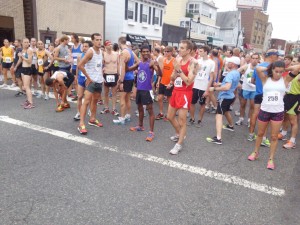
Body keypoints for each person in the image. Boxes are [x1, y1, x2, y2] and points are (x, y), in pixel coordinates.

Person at [247, 61, 295, 170]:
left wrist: (285, 69)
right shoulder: (265, 79)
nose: (278, 74)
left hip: (277, 111)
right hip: (265, 110)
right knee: (260, 133)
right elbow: (258, 69)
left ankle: (271, 158)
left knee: (274, 137)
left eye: (280, 72)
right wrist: (270, 67)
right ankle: (255, 152)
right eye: (276, 71)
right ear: (272, 70)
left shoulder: (285, 80)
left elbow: (297, 68)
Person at [167, 40, 198, 155]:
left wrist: (179, 69)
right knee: (169, 116)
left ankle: (179, 144)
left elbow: (189, 81)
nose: (179, 49)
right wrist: (172, 78)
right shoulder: (179, 60)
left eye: (182, 48)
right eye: (179, 47)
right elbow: (173, 76)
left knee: (182, 120)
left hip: (185, 93)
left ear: (189, 50)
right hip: (176, 90)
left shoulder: (194, 63)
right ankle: (179, 134)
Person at [129, 45, 161, 141]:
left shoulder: (151, 63)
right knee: (139, 108)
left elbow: (160, 74)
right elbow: (129, 69)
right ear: (141, 52)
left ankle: (151, 132)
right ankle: (140, 126)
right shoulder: (139, 63)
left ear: (150, 52)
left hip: (147, 90)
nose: (146, 53)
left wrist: (158, 66)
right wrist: (123, 62)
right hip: (139, 89)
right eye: (144, 51)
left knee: (150, 110)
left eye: (147, 51)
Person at [248, 49, 279, 146]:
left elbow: (252, 80)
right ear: (272, 56)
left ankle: (251, 134)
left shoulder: (258, 66)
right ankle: (263, 138)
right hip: (268, 95)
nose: (277, 57)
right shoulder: (273, 67)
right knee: (267, 117)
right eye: (276, 55)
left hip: (258, 93)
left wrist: (259, 84)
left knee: (255, 113)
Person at [206, 56, 241, 144]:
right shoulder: (236, 73)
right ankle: (231, 126)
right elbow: (235, 84)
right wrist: (220, 83)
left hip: (225, 97)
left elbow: (227, 87)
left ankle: (218, 138)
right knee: (226, 112)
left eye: (229, 62)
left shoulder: (230, 74)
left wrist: (214, 89)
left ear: (232, 64)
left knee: (218, 115)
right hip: (230, 96)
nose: (227, 63)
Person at [77, 33, 104, 134]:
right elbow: (80, 65)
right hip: (91, 81)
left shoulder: (101, 52)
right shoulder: (90, 52)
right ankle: (81, 124)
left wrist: (102, 76)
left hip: (99, 81)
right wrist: (88, 78)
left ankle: (92, 119)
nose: (99, 41)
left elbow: (99, 66)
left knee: (95, 101)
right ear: (92, 41)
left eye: (100, 39)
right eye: (97, 40)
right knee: (86, 102)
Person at [113, 36, 139, 125]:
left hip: (125, 78)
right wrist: (131, 69)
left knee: (122, 98)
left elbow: (122, 69)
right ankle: (128, 115)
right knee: (127, 98)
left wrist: (121, 81)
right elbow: (138, 61)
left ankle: (122, 117)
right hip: (130, 77)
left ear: (120, 43)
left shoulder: (124, 52)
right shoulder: (130, 51)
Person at [189, 45, 215, 127]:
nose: (198, 53)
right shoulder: (197, 61)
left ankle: (200, 120)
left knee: (202, 104)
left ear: (206, 52)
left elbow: (211, 77)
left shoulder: (211, 62)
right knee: (192, 103)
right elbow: (192, 73)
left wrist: (207, 90)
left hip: (203, 86)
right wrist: (196, 68)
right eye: (198, 51)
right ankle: (192, 118)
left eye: (201, 51)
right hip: (195, 85)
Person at [278, 64, 300, 149]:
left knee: (293, 120)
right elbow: (291, 68)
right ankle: (283, 133)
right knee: (285, 116)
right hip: (287, 96)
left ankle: (292, 141)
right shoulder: (296, 69)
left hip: (296, 98)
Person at [235, 53, 260, 126]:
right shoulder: (246, 67)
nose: (254, 60)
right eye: (253, 58)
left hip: (254, 90)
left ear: (258, 60)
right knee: (243, 105)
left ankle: (249, 120)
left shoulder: (259, 68)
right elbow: (236, 72)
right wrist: (238, 82)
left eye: (256, 58)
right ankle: (241, 119)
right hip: (245, 88)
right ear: (251, 59)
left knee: (252, 106)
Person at [73, 40, 93, 121]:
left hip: (89, 78)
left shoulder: (92, 56)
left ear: (89, 48)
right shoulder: (79, 56)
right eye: (83, 46)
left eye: (86, 46)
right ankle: (79, 112)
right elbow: (78, 67)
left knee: (89, 97)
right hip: (81, 78)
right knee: (80, 96)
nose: (84, 48)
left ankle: (91, 111)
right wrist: (76, 77)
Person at [156, 46, 175, 120]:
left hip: (169, 83)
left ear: (171, 52)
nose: (166, 53)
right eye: (165, 51)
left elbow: (175, 73)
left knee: (169, 100)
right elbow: (161, 72)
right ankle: (161, 113)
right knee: (159, 98)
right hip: (162, 82)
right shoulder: (163, 60)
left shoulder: (174, 61)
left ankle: (169, 114)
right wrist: (158, 81)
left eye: (168, 51)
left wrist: (171, 82)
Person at [101, 40, 120, 116]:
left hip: (114, 74)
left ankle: (114, 109)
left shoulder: (116, 54)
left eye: (111, 44)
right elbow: (101, 65)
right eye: (108, 44)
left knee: (114, 93)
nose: (110, 46)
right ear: (105, 46)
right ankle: (106, 108)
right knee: (105, 93)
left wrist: (119, 75)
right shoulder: (103, 54)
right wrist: (101, 76)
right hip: (106, 74)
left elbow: (118, 64)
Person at [17, 38, 34, 109]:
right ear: (22, 43)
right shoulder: (22, 50)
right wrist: (15, 66)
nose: (27, 43)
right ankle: (28, 101)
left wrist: (22, 56)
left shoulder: (29, 50)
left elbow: (29, 61)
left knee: (27, 87)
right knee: (26, 86)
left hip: (28, 69)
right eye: (25, 42)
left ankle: (31, 103)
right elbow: (20, 60)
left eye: (27, 42)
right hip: (23, 69)